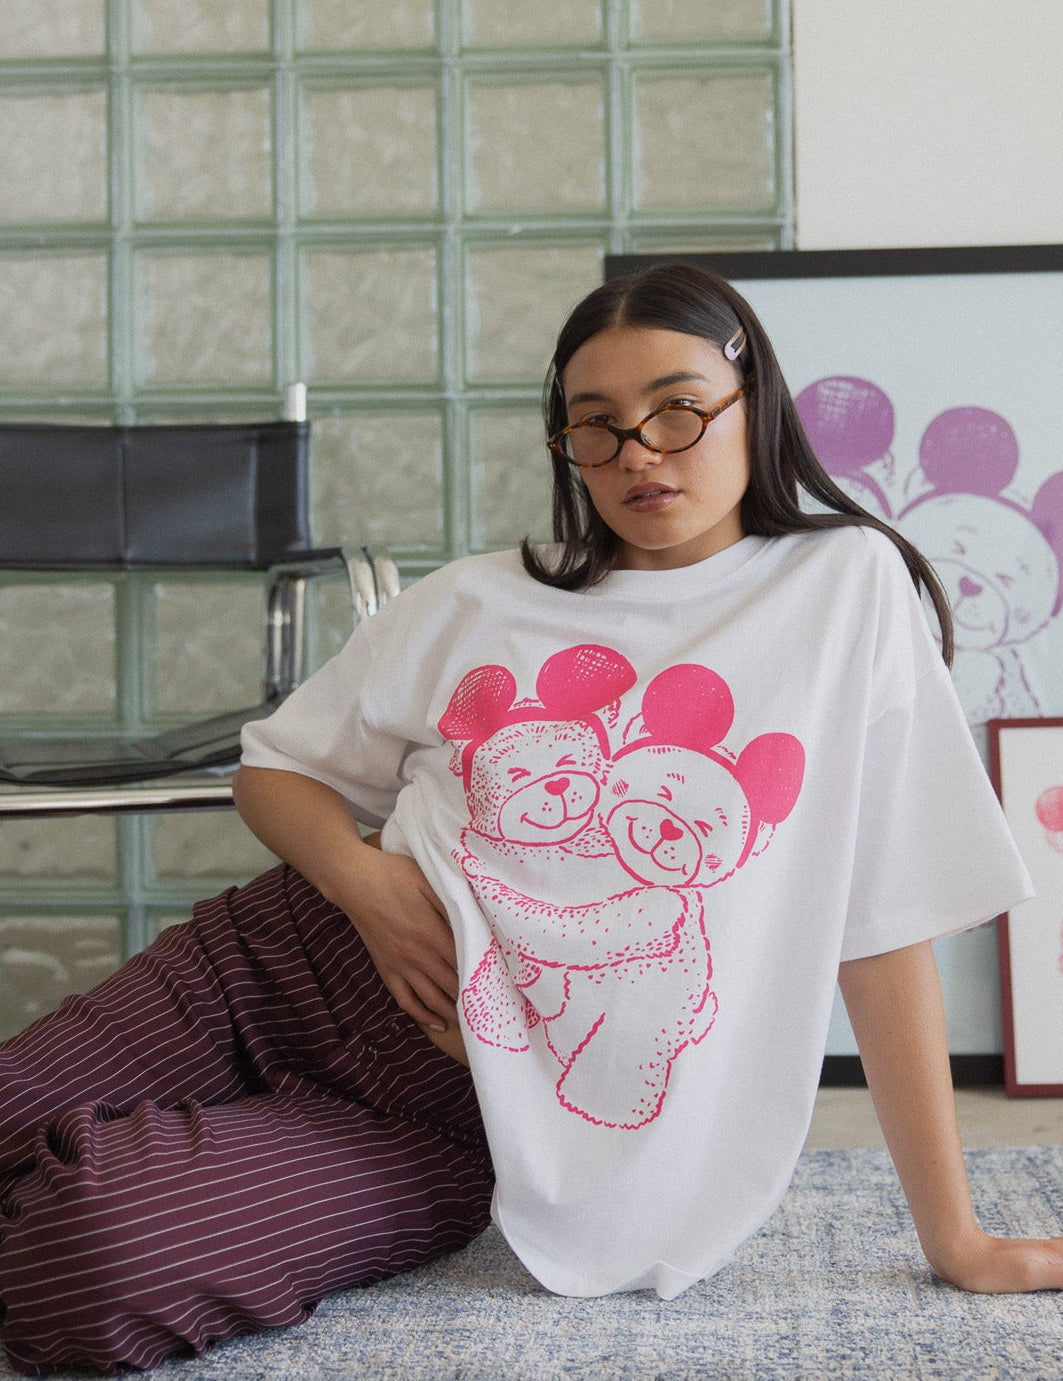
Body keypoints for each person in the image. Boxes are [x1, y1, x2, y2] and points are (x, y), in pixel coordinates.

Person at [2, 263, 1061, 1375]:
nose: (639, 453)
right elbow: (275, 770)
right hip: (279, 965)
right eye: (594, 428)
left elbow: (882, 920)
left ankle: (128, 1167)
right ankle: (113, 1146)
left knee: (89, 1263)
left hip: (447, 1113)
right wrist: (368, 890)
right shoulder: (482, 596)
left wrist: (957, 1237)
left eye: (678, 409)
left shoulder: (847, 590)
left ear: (758, 403)